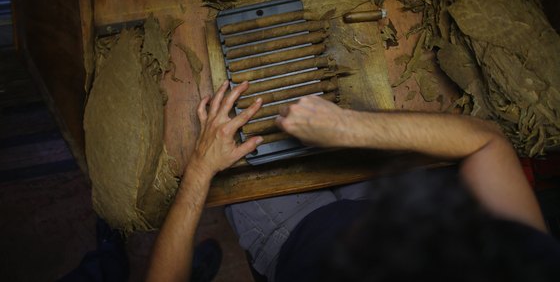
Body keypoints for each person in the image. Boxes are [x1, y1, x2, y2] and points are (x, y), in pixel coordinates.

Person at [146, 80, 560, 282]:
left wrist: (200, 169)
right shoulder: (527, 270)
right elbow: (488, 144)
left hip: (290, 234)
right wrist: (349, 127)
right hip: (376, 201)